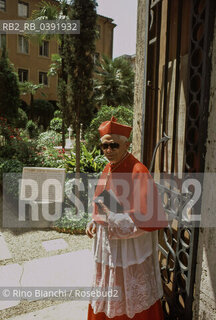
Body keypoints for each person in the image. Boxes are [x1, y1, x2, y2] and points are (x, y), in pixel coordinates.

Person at [86, 116, 167, 320]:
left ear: (127, 145)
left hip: (130, 247)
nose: (108, 150)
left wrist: (112, 220)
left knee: (130, 293)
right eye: (104, 146)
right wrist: (94, 221)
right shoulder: (109, 167)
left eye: (114, 145)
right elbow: (101, 200)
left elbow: (146, 218)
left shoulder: (139, 171)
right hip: (109, 245)